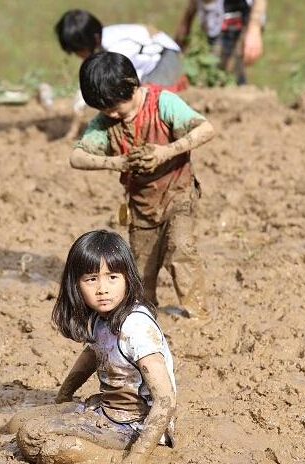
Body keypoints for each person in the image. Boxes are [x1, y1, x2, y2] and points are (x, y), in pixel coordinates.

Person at [10, 229, 176, 464]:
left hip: (136, 425)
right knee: (18, 423)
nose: (102, 289)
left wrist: (137, 459)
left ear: (128, 279)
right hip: (104, 411)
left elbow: (165, 399)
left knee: (45, 445)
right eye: (91, 279)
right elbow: (92, 355)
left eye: (112, 277)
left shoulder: (136, 327)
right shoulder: (101, 318)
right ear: (75, 285)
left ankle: (109, 458)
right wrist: (63, 395)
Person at [70, 52, 215, 320]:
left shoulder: (163, 103)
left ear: (132, 87)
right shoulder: (105, 122)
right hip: (140, 203)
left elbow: (206, 129)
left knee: (181, 249)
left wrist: (166, 152)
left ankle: (199, 315)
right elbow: (76, 157)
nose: (112, 114)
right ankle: (145, 317)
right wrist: (118, 162)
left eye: (115, 107)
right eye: (105, 110)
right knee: (141, 267)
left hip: (178, 192)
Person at [54, 9, 188, 139]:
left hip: (164, 60)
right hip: (148, 64)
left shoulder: (116, 49)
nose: (77, 54)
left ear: (93, 39)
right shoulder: (101, 44)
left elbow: (123, 81)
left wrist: (74, 128)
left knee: (137, 101)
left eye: (78, 49)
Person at [174, 0, 267, 84]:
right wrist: (186, 21)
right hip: (209, 24)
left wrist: (254, 28)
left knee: (226, 78)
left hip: (232, 22)